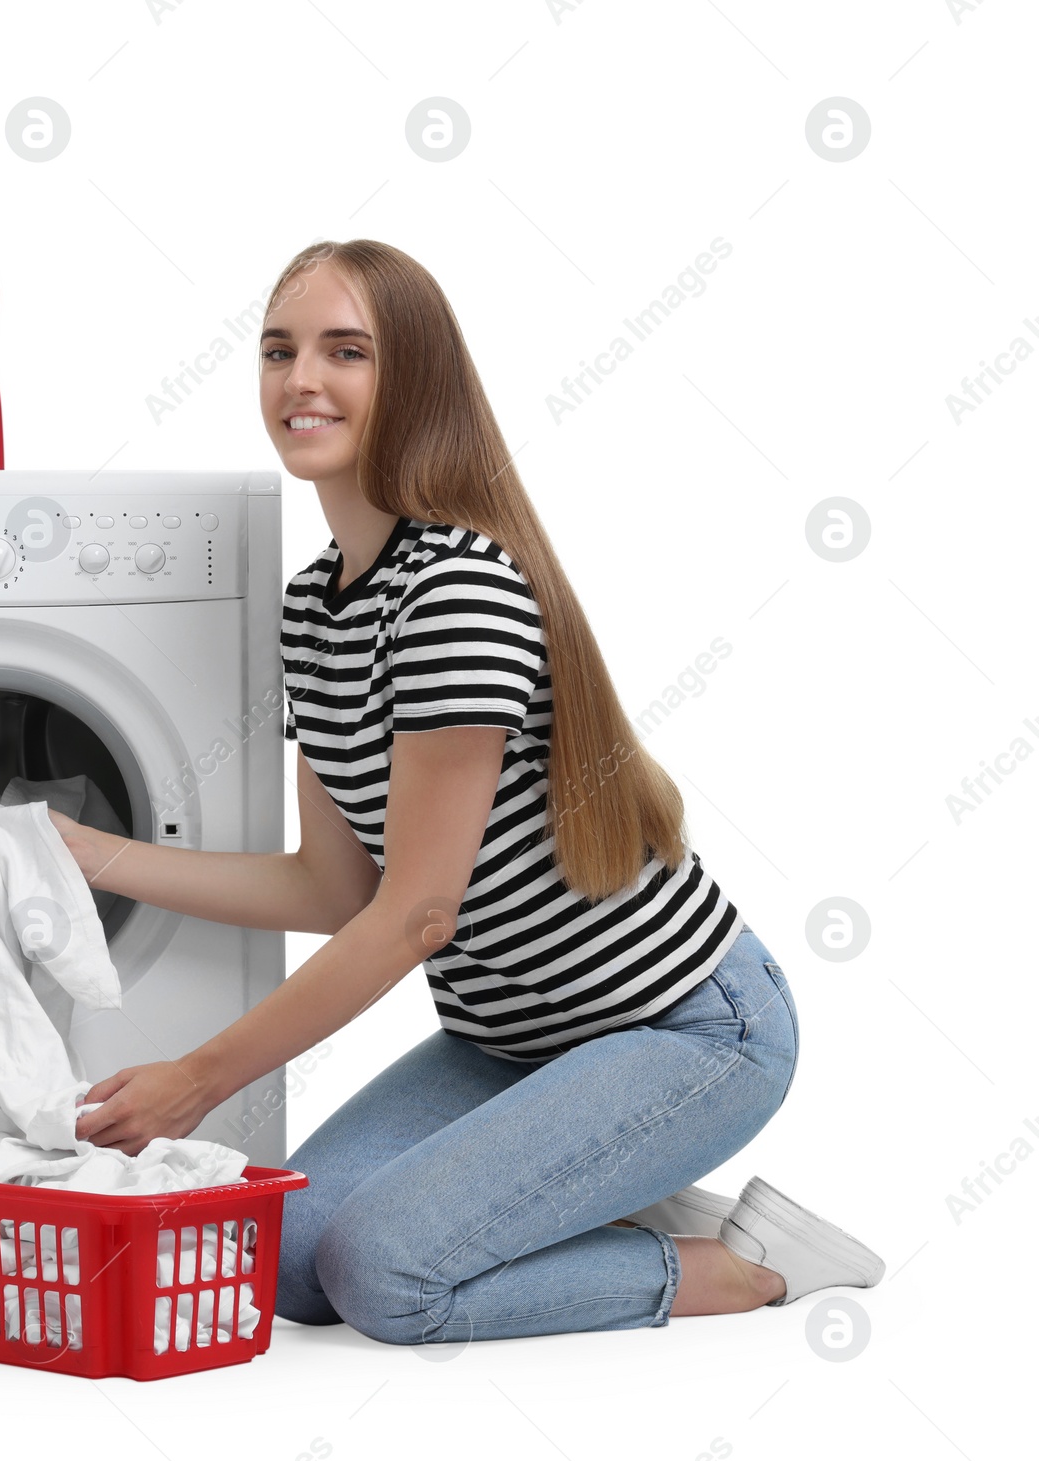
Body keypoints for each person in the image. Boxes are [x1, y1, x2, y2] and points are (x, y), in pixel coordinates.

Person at [47, 239, 884, 1345]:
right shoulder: (313, 610)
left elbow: (417, 914)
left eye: (346, 352)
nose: (302, 381)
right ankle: (583, 1176)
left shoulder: (455, 588)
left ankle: (742, 1261)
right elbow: (331, 886)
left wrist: (198, 1081)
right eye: (278, 351)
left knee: (384, 1280)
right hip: (514, 1041)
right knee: (288, 1265)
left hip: (688, 1030)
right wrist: (85, 852)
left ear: (415, 382)